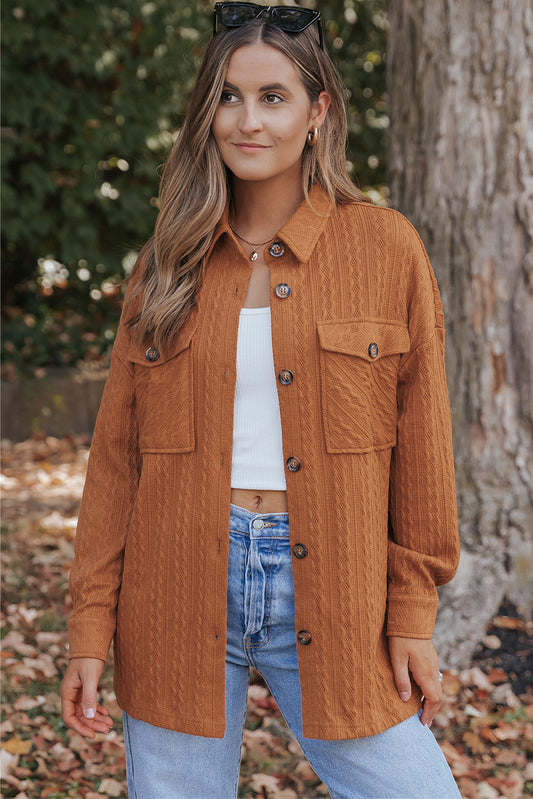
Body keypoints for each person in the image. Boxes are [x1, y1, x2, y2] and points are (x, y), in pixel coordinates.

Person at [60, 3, 462, 797]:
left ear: (317, 112)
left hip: (334, 581)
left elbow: (423, 448)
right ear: (207, 109)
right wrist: (88, 628)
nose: (248, 121)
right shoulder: (165, 264)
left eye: (273, 97)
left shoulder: (384, 248)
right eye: (229, 96)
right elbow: (115, 461)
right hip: (174, 580)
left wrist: (411, 614)